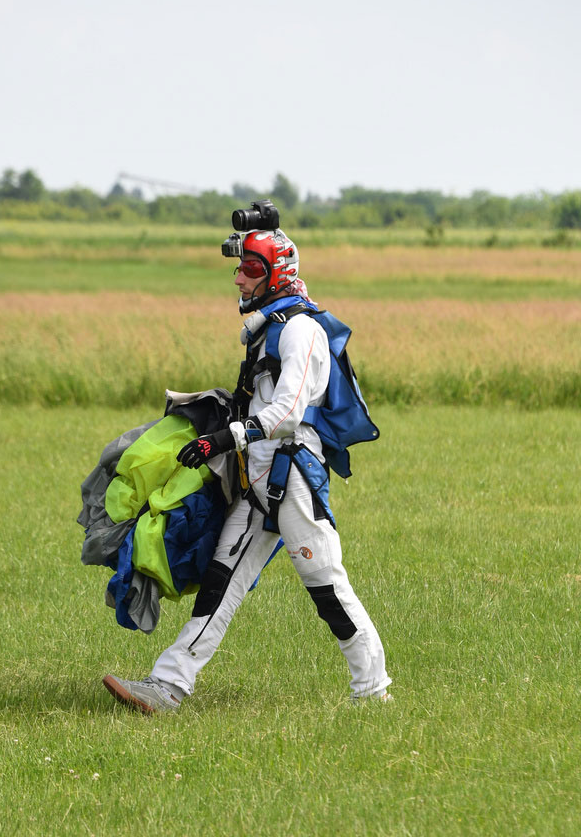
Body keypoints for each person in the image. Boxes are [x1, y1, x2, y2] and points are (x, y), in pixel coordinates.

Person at [103, 215, 391, 714]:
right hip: (258, 480)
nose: (239, 278)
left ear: (276, 273)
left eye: (251, 268)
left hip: (293, 477)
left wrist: (222, 440)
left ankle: (373, 691)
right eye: (240, 267)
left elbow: (287, 411)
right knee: (220, 582)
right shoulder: (269, 328)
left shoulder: (300, 330)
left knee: (326, 585)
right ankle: (168, 685)